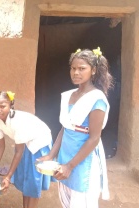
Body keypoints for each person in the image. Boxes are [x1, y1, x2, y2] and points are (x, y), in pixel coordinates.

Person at [38, 47, 114, 208]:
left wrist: (70, 166)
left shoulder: (96, 99)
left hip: (82, 161)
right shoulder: (69, 95)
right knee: (67, 201)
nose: (76, 73)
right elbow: (64, 128)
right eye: (73, 68)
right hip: (66, 156)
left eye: (82, 69)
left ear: (93, 70)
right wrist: (51, 155)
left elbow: (94, 138)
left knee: (82, 201)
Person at [0, 90, 54, 208]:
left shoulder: (17, 121)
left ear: (10, 105)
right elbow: (0, 146)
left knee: (33, 180)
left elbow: (19, 151)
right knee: (25, 178)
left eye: (3, 106)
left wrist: (8, 177)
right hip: (25, 143)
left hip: (39, 142)